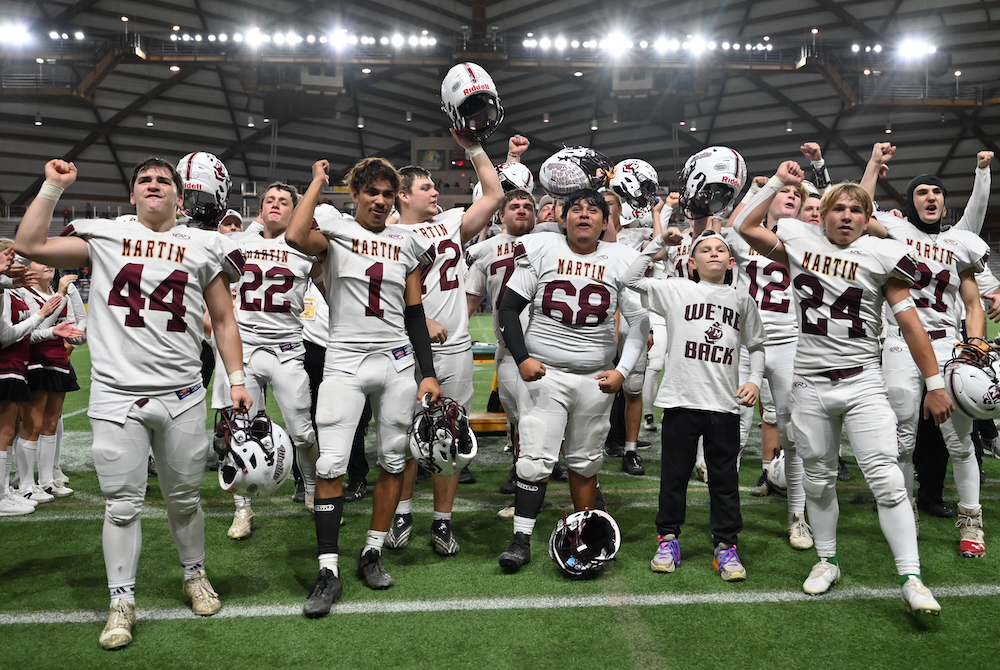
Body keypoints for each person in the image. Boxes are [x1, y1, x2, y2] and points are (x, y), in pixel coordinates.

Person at [15, 156, 252, 649]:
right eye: (144, 179)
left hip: (183, 393)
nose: (153, 185)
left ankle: (194, 574)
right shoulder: (103, 236)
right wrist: (53, 187)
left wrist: (236, 378)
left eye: (163, 180)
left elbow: (224, 320)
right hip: (117, 393)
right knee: (122, 506)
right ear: (132, 194)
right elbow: (29, 244)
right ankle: (121, 600)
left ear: (180, 198)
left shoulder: (204, 243)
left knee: (185, 499)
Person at [734, 160, 948, 615]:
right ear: (824, 213)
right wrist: (777, 182)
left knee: (888, 481)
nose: (847, 216)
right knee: (817, 479)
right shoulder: (798, 240)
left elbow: (911, 326)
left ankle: (911, 577)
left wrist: (933, 382)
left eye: (856, 209)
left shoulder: (881, 254)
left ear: (865, 217)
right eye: (839, 209)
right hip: (810, 383)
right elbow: (743, 224)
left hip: (863, 382)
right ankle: (826, 560)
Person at [285, 157, 441, 617]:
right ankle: (328, 569)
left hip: (397, 361)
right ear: (354, 194)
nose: (379, 200)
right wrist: (316, 183)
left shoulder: (408, 242)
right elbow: (295, 235)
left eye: (387, 193)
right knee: (331, 464)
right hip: (346, 360)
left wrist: (427, 370)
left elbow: (414, 313)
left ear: (395, 199)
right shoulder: (334, 236)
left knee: (394, 458)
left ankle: (372, 550)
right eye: (370, 192)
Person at [495, 188, 649, 574]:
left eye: (593, 210)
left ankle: (584, 532)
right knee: (534, 460)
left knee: (585, 462)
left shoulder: (621, 260)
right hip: (546, 373)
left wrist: (623, 370)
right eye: (576, 209)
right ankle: (520, 539)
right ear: (563, 218)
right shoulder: (542, 248)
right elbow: (508, 308)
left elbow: (640, 323)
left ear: (605, 221)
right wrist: (522, 356)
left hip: (594, 379)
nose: (584, 215)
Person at [861, 142, 990, 557]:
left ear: (943, 201)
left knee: (961, 440)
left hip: (948, 345)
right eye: (921, 192)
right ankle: (907, 508)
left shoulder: (961, 243)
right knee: (901, 438)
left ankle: (971, 518)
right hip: (899, 342)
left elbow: (972, 303)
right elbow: (861, 214)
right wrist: (875, 165)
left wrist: (975, 342)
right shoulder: (896, 229)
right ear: (911, 201)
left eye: (936, 191)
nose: (930, 196)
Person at [385, 131, 508, 556]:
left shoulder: (449, 222)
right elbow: (373, 297)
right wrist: (416, 317)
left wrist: (473, 147)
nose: (436, 190)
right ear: (403, 195)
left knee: (448, 439)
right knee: (402, 438)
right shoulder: (382, 233)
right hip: (404, 347)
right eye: (426, 187)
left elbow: (493, 194)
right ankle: (400, 511)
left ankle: (441, 521)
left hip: (455, 348)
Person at [624, 229, 765, 580]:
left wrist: (754, 380)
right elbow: (628, 278)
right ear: (692, 261)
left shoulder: (742, 299)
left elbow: (757, 345)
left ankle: (726, 545)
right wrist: (659, 243)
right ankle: (668, 538)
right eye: (705, 250)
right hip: (680, 400)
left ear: (731, 262)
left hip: (724, 404)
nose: (714, 254)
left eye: (721, 249)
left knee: (724, 479)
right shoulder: (675, 289)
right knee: (674, 478)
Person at [218, 182, 322, 539]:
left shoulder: (304, 247)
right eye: (270, 201)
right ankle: (243, 509)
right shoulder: (238, 243)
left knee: (303, 431)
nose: (276, 206)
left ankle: (312, 491)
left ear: (295, 211)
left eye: (284, 202)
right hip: (244, 349)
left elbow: (333, 293)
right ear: (260, 209)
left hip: (287, 350)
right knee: (240, 432)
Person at [465, 188, 538, 517]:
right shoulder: (484, 251)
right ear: (501, 214)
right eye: (515, 206)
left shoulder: (551, 243)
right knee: (518, 421)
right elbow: (468, 301)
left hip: (551, 347)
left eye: (527, 206)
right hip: (510, 350)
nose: (521, 211)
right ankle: (522, 475)